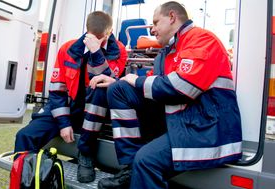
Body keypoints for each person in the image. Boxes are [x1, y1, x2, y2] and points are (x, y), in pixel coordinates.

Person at [91, 2, 242, 189]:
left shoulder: (202, 40)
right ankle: (130, 167)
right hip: (185, 121)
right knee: (119, 89)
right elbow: (153, 81)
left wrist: (135, 80)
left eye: (155, 22)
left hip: (206, 127)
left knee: (146, 161)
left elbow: (180, 87)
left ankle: (138, 165)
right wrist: (118, 81)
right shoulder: (168, 51)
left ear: (172, 17)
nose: (152, 29)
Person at [14, 11, 127, 183]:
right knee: (25, 136)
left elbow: (107, 80)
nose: (95, 41)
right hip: (67, 106)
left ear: (109, 33)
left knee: (99, 88)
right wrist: (64, 123)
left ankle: (85, 154)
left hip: (96, 110)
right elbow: (57, 90)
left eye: (100, 38)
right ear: (86, 30)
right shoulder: (67, 48)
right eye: (92, 37)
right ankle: (22, 183)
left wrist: (96, 52)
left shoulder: (118, 51)